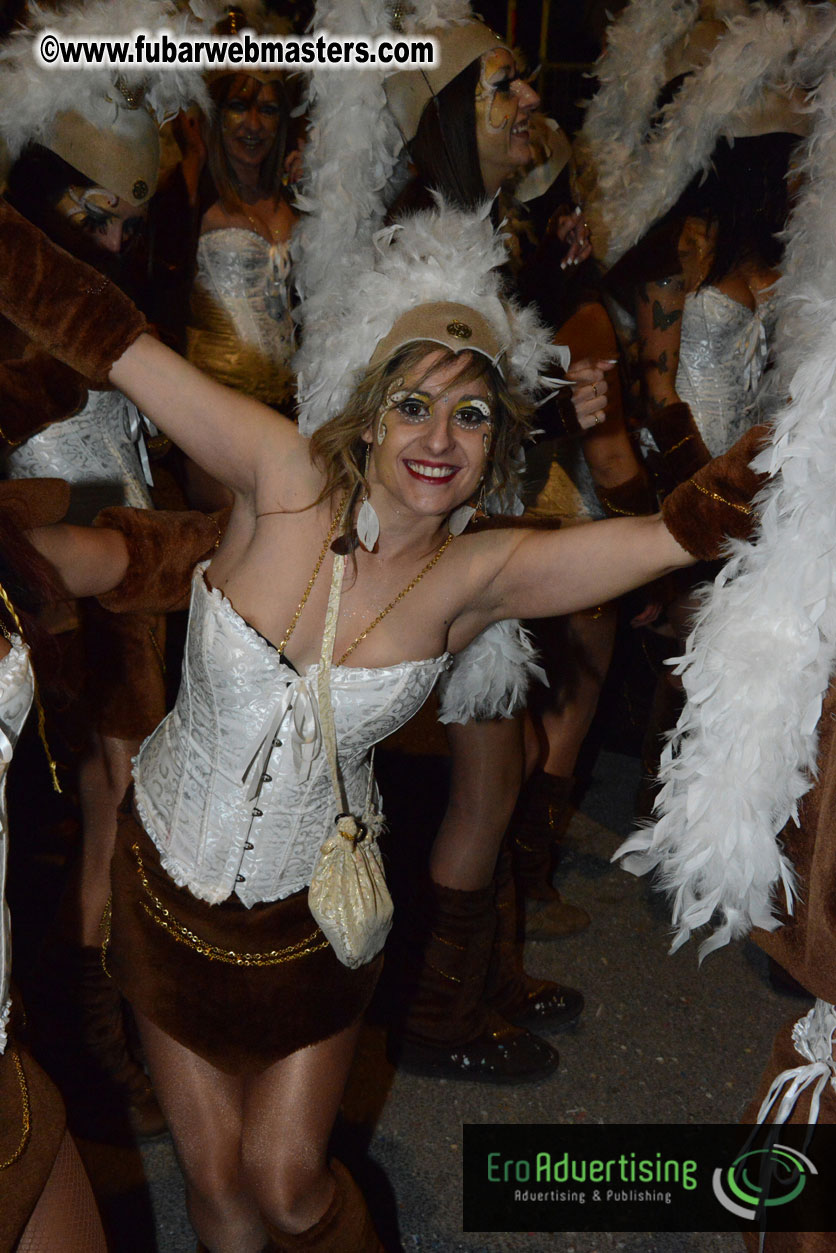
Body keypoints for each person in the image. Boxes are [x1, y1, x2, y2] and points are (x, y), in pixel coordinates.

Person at [0, 174, 703, 1250]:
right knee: (218, 1193)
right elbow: (116, 343)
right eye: (411, 403)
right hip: (162, 897)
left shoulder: (479, 574)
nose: (437, 435)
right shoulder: (281, 480)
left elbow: (666, 535)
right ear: (368, 417)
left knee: (286, 1186)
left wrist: (765, 486)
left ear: (495, 441)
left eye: (470, 414)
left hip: (310, 923)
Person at [0, 0, 207, 1137]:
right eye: (95, 216)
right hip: (61, 591)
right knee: (111, 809)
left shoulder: (106, 306)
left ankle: (109, 1041)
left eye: (135, 221)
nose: (117, 241)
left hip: (136, 567)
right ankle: (97, 1049)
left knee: (126, 811)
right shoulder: (22, 316)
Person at [183, 48, 297, 509]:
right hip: (212, 412)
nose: (254, 125)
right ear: (215, 113)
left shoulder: (295, 202)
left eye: (268, 109)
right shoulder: (189, 196)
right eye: (238, 107)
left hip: (289, 412)